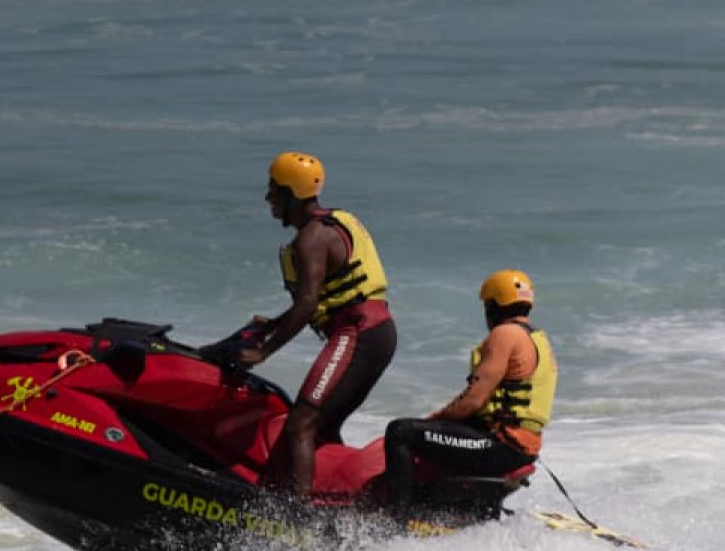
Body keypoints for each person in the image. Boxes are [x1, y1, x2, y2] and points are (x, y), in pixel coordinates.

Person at [235, 152, 397, 497]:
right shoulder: (338, 220)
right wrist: (276, 321)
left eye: (273, 191)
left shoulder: (311, 238)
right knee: (322, 424)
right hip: (378, 332)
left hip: (358, 333)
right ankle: (335, 496)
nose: (268, 200)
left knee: (300, 424)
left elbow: (308, 304)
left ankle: (298, 517)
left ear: (291, 194)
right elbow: (328, 298)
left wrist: (263, 352)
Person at [383, 269, 557, 511]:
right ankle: (449, 505)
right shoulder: (537, 338)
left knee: (401, 432)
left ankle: (395, 519)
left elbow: (472, 401)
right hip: (521, 447)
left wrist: (435, 419)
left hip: (502, 447)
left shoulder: (504, 334)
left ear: (494, 306)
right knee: (428, 433)